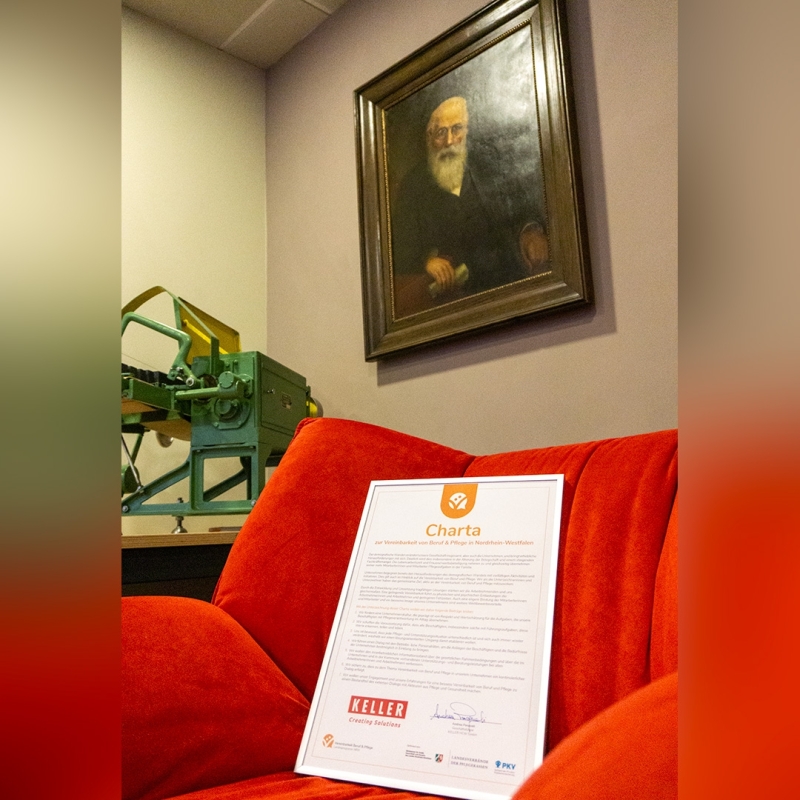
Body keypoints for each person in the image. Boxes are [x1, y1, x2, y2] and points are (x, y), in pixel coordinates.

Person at [391, 96, 549, 317]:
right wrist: (426, 261)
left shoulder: (489, 167)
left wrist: (530, 231)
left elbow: (522, 209)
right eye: (440, 132)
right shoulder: (414, 184)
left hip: (506, 282)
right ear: (429, 137)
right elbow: (399, 249)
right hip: (452, 298)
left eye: (456, 129)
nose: (449, 141)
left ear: (467, 131)